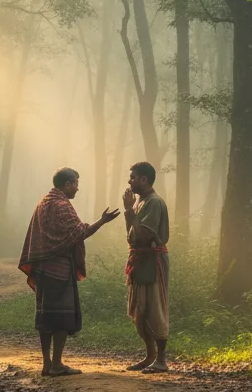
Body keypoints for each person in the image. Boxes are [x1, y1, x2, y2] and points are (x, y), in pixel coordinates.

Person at [18, 167, 119, 376]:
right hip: (59, 270)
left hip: (42, 269)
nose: (77, 188)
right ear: (67, 184)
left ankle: (46, 363)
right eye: (75, 184)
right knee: (62, 317)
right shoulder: (62, 205)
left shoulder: (43, 202)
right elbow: (79, 233)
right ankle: (56, 364)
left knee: (45, 316)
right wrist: (103, 221)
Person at [123, 160, 170, 373]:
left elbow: (144, 234)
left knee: (155, 307)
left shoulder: (154, 202)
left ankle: (161, 360)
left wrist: (129, 212)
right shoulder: (139, 202)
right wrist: (129, 212)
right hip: (140, 259)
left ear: (144, 179)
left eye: (132, 177)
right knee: (139, 309)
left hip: (153, 261)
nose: (129, 181)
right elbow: (132, 236)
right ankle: (149, 356)